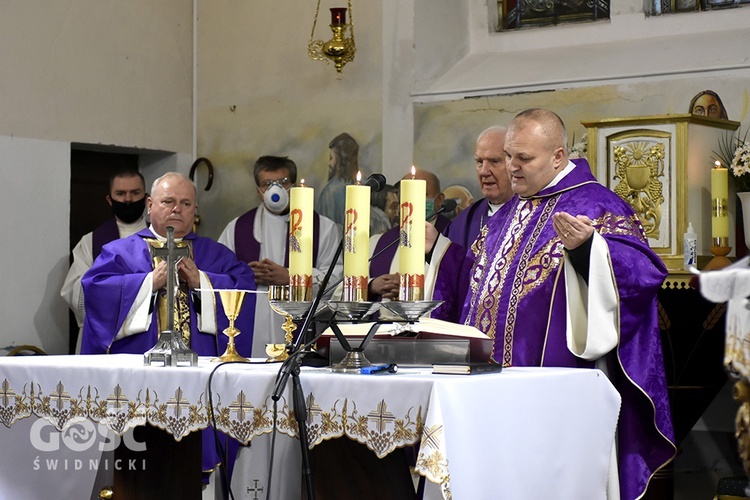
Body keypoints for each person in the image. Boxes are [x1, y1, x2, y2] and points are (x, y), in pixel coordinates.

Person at [432, 109, 675, 500]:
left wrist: (588, 251)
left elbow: (642, 274)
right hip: (484, 391)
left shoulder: (595, 204)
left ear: (559, 156)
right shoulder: (507, 213)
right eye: (508, 155)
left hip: (556, 390)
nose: (511, 167)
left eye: (523, 158)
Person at [81, 172, 256, 482]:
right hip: (138, 381)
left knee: (186, 466)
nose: (177, 209)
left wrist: (201, 281)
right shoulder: (120, 252)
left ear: (195, 210)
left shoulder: (214, 255)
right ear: (150, 205)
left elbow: (243, 289)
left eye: (186, 203)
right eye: (168, 201)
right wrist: (149, 282)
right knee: (139, 468)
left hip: (199, 382)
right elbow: (96, 290)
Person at [218, 155, 342, 357]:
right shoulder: (237, 228)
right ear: (259, 192)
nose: (275, 190)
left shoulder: (323, 228)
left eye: (283, 182)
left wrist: (291, 277)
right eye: (267, 184)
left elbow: (336, 279)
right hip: (251, 325)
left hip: (301, 320)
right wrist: (246, 275)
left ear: (293, 186)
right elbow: (220, 274)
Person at [61, 169, 148, 354]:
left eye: (135, 193)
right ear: (109, 199)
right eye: (120, 193)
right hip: (103, 335)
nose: (128, 199)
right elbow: (73, 291)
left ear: (147, 198)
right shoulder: (91, 241)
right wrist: (116, 294)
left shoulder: (159, 240)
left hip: (148, 333)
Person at [368, 169, 451, 303]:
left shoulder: (452, 237)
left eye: (421, 193)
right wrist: (372, 285)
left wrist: (412, 285)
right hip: (383, 322)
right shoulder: (380, 242)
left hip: (429, 322)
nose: (412, 200)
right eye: (407, 193)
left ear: (439, 200)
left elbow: (461, 282)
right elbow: (342, 289)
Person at [445, 126, 514, 252]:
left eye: (494, 161)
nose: (484, 171)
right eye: (479, 162)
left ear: (514, 164)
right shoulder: (463, 224)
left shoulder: (533, 216)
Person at [316, 132, 359, 227]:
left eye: (331, 158)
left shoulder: (330, 191)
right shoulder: (364, 186)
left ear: (341, 160)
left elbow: (324, 229)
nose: (329, 164)